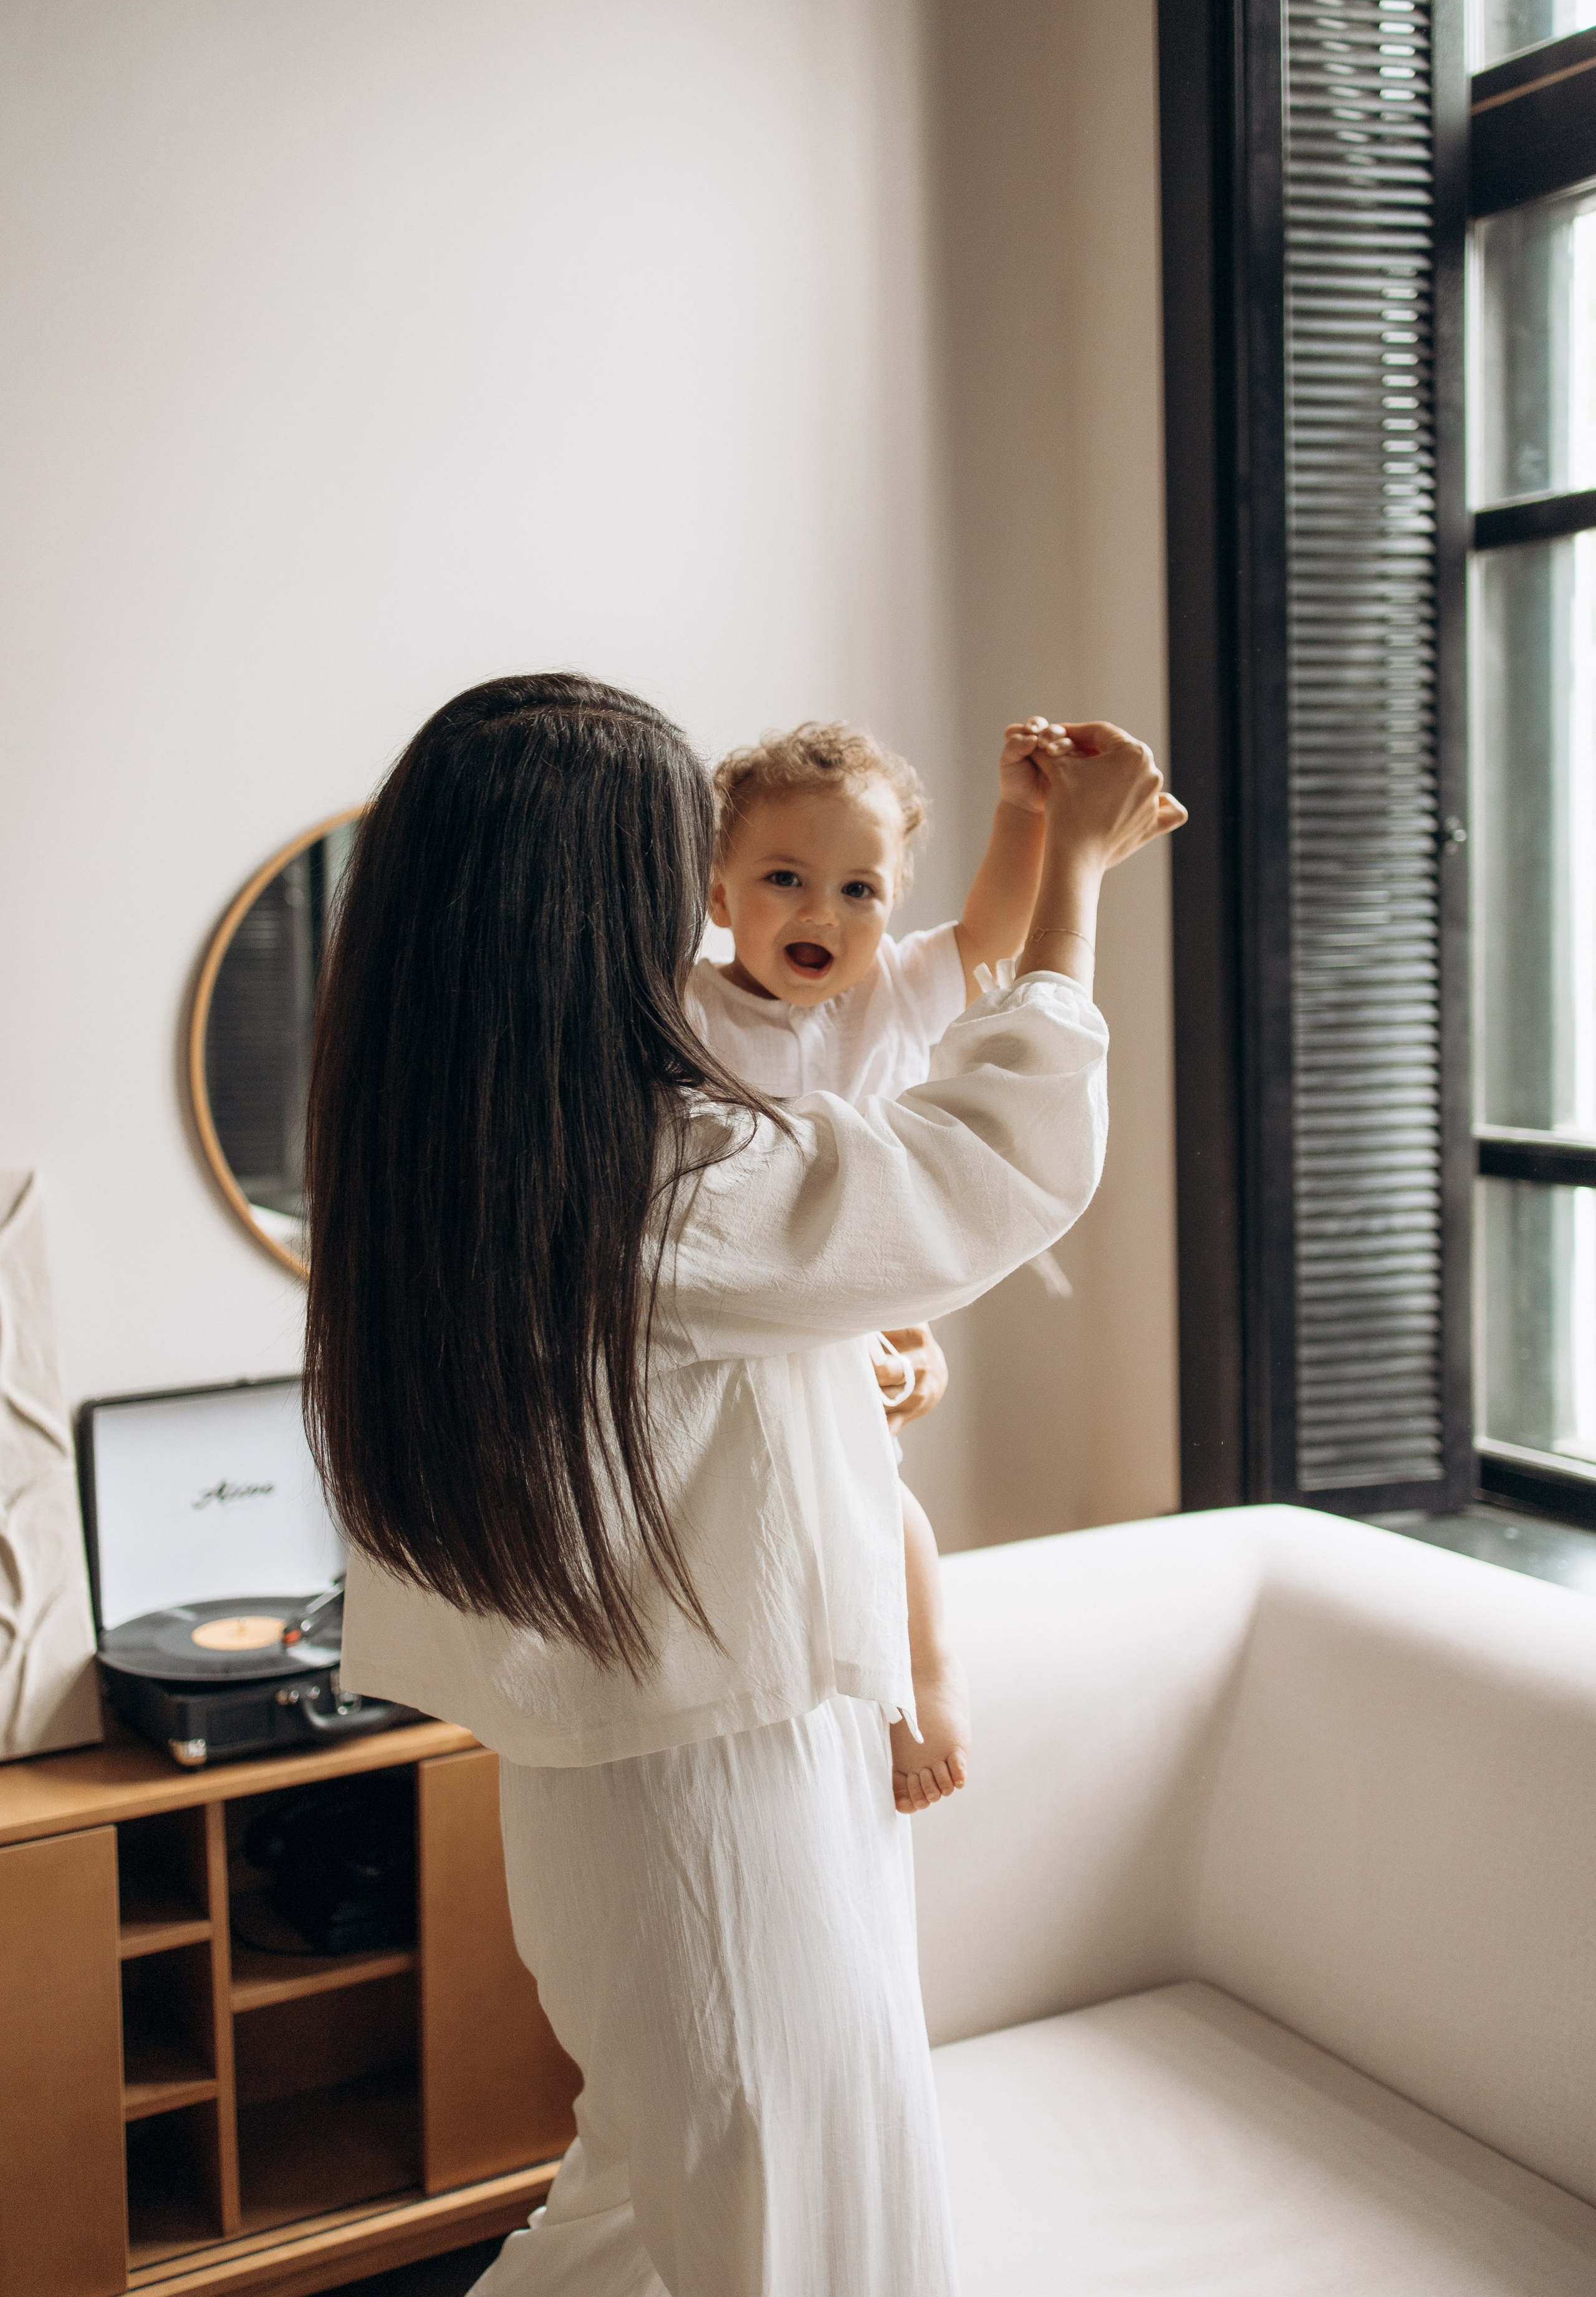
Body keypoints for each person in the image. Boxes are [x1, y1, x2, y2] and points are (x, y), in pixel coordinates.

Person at [311, 673, 1184, 2297]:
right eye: (690, 872)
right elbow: (989, 1167)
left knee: (648, 2213)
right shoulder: (637, 1162)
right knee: (805, 2236)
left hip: (672, 1757)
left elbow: (683, 1381)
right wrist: (1067, 870)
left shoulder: (480, 1141)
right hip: (721, 1781)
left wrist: (846, 1364)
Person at [688, 715, 1080, 1814]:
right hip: (740, 1298)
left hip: (857, 1292)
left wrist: (1026, 810)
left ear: (894, 904)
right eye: (784, 878)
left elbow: (1000, 921)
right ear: (721, 895)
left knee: (876, 1497)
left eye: (861, 890)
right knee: (762, 1505)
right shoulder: (684, 1007)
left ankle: (924, 1673)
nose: (823, 912)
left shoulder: (897, 991)